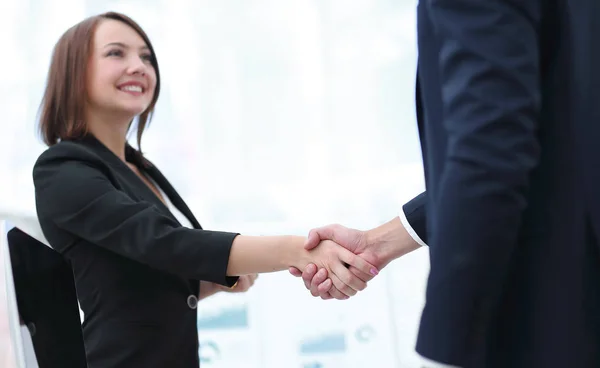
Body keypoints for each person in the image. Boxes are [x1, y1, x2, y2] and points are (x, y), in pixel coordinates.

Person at [33, 12, 378, 368]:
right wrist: (298, 250)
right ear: (74, 71)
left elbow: (136, 274)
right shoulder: (61, 169)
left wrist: (203, 284)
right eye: (116, 53)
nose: (139, 66)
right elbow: (161, 241)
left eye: (147, 57)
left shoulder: (140, 168)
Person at [294, 1, 600, 367]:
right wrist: (377, 244)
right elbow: (548, 131)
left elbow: (490, 153)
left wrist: (448, 345)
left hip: (555, 312)